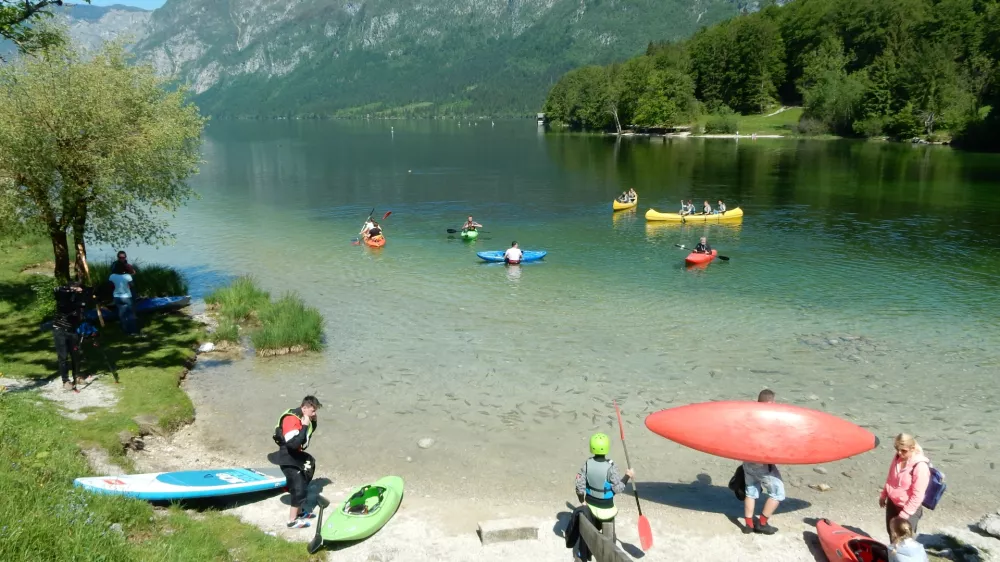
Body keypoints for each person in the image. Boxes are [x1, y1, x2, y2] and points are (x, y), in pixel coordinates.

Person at [573, 433, 634, 561]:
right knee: (609, 531)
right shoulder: (611, 467)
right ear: (607, 448)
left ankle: (584, 552)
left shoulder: (587, 464)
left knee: (591, 528)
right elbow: (618, 488)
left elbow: (579, 486)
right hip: (607, 508)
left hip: (590, 505)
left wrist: (582, 501)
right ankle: (608, 550)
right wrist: (628, 475)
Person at [267, 396, 323, 529]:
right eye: (313, 411)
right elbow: (293, 444)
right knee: (298, 487)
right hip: (287, 456)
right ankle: (292, 520)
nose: (315, 414)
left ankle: (300, 512)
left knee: (308, 468)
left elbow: (306, 435)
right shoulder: (291, 419)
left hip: (295, 455)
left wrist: (311, 421)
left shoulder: (303, 416)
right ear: (304, 408)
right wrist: (304, 426)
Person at [743, 389, 785, 535]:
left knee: (751, 490)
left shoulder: (750, 416)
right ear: (771, 402)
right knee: (778, 493)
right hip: (762, 464)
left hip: (747, 461)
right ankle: (762, 523)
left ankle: (748, 525)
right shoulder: (771, 420)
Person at [880, 433, 930, 536]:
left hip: (909, 508)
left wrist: (904, 515)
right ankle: (892, 552)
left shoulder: (920, 467)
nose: (899, 453)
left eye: (903, 450)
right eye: (897, 449)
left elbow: (918, 495)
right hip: (893, 504)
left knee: (904, 538)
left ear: (912, 448)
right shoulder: (897, 458)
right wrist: (884, 495)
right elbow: (890, 478)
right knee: (892, 533)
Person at [52, 283, 93, 391]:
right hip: (60, 330)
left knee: (76, 354)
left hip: (73, 330)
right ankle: (65, 381)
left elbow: (88, 298)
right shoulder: (62, 297)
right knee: (63, 356)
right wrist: (72, 289)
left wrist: (86, 291)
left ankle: (77, 375)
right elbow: (57, 289)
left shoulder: (78, 300)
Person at [109, 262, 140, 337]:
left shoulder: (112, 276)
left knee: (122, 314)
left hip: (117, 296)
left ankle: (125, 331)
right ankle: (133, 331)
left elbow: (110, 285)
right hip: (126, 297)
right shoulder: (127, 276)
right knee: (130, 314)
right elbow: (132, 285)